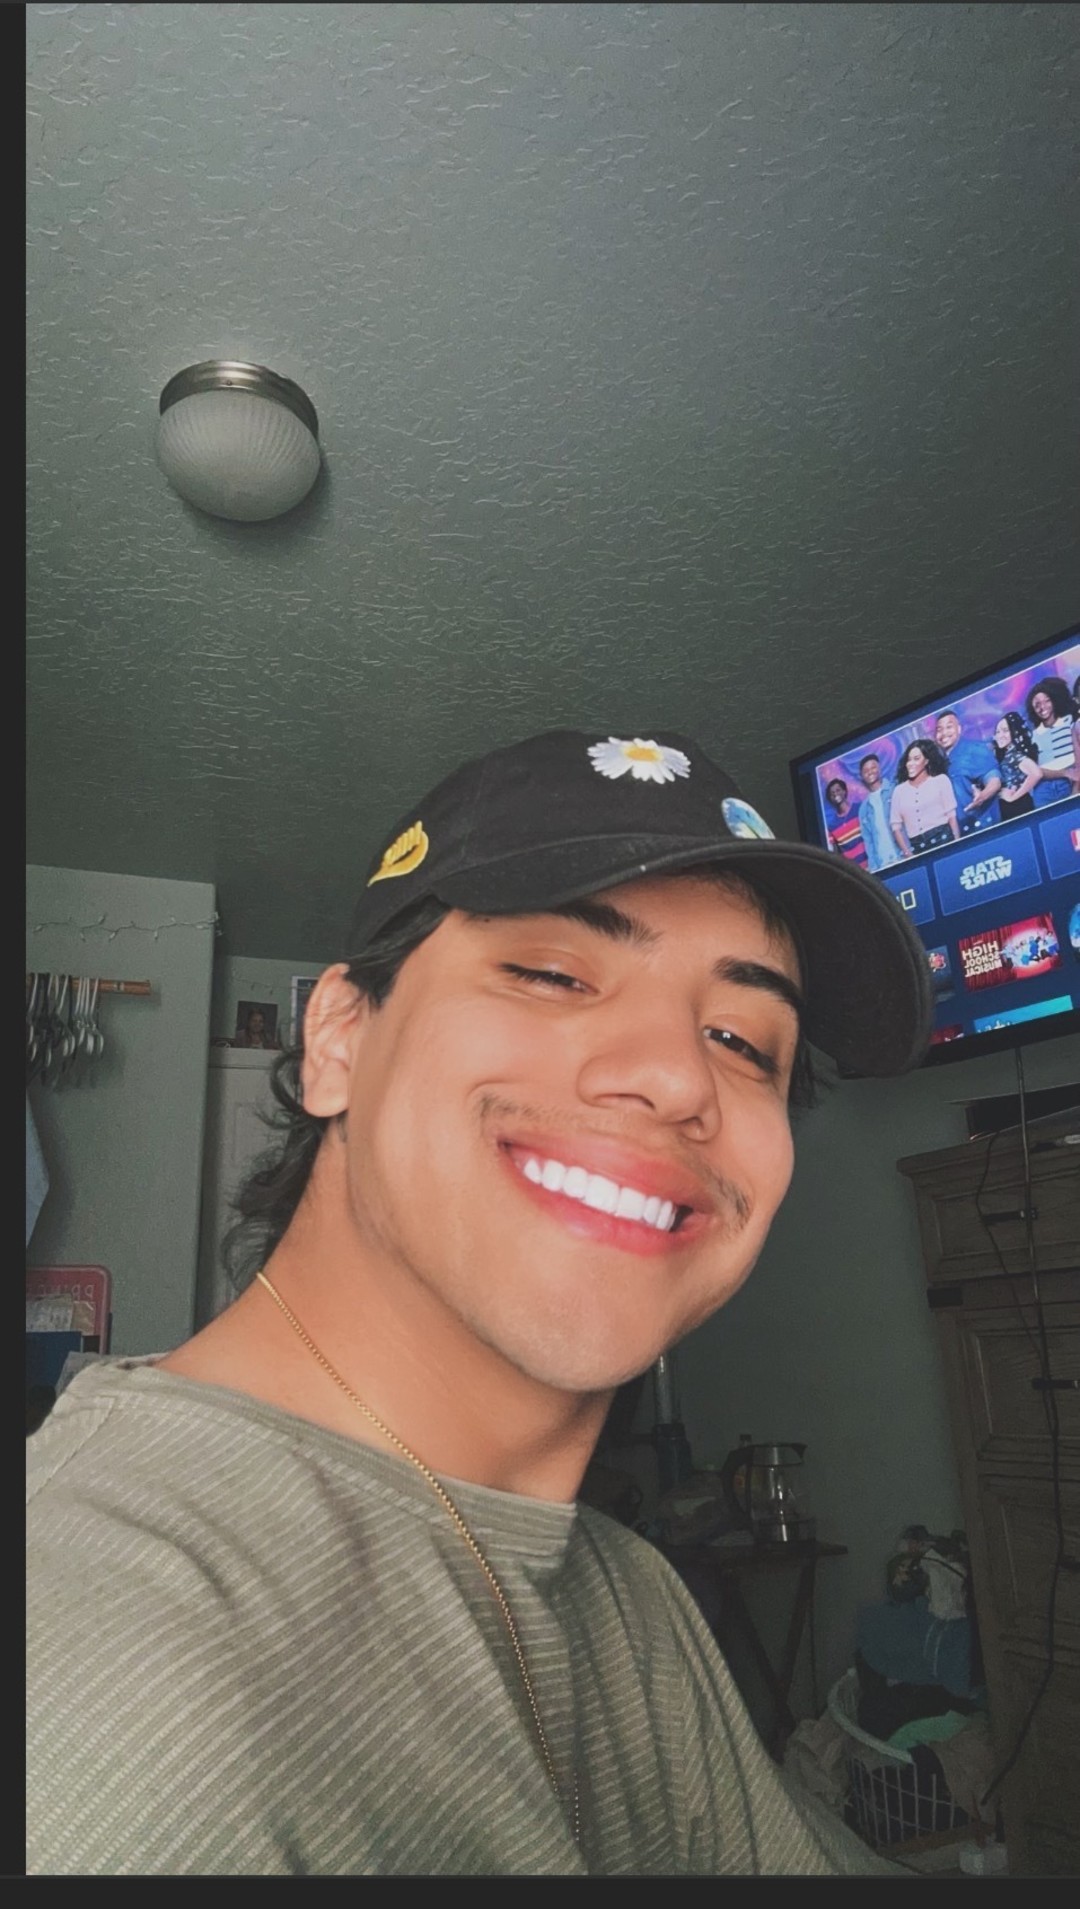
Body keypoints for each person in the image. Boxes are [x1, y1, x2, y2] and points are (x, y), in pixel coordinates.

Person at [27, 728, 931, 1878]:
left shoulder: (629, 1594)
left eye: (742, 1040)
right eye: (552, 973)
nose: (677, 1076)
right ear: (338, 1038)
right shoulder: (91, 1666)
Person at [889, 739, 961, 859]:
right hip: (917, 846)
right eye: (909, 759)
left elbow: (951, 816)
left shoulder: (941, 781)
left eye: (916, 759)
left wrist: (957, 843)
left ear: (926, 761)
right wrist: (907, 854)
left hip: (942, 838)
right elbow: (896, 827)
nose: (911, 763)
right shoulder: (899, 791)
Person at [933, 709, 1001, 835]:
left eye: (949, 727)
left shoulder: (974, 750)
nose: (944, 733)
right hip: (958, 833)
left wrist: (982, 796)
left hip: (983, 828)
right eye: (939, 730)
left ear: (959, 729)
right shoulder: (937, 764)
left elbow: (994, 780)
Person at [1025, 676, 1079, 806]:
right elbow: (1034, 770)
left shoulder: (1069, 721)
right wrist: (1064, 773)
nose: (1042, 707)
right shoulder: (1033, 735)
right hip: (1044, 788)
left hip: (1070, 783)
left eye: (1046, 701)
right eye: (1037, 704)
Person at [991, 711, 1042, 817]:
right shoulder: (1005, 755)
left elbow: (1037, 773)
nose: (1000, 735)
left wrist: (1013, 797)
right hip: (1009, 806)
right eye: (997, 732)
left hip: (1018, 806)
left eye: (1005, 731)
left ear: (1014, 732)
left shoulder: (1015, 756)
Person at [854, 754, 899, 872]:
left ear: (880, 768)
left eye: (873, 767)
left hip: (903, 855)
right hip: (882, 865)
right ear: (862, 776)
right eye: (866, 771)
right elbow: (868, 840)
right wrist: (874, 868)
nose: (870, 772)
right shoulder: (864, 809)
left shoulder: (894, 790)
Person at [822, 777, 867, 866]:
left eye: (838, 790)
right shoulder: (832, 826)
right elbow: (834, 854)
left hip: (873, 865)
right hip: (853, 871)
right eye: (832, 793)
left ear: (844, 791)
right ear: (830, 799)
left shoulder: (860, 809)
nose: (835, 794)